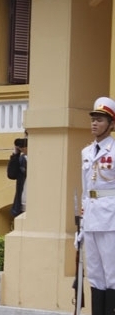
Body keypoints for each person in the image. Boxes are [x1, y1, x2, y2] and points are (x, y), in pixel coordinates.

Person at [80, 96, 115, 315]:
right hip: (92, 216)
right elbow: (84, 188)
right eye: (93, 119)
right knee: (94, 273)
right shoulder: (85, 152)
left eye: (100, 119)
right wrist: (82, 223)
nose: (95, 123)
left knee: (112, 273)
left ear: (111, 124)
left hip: (111, 217)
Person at [7, 131, 28, 218]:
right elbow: (11, 174)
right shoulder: (22, 159)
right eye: (26, 136)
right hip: (22, 204)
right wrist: (16, 154)